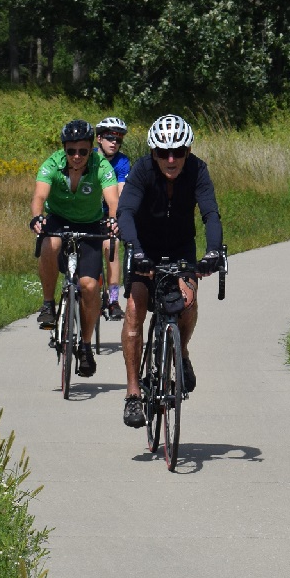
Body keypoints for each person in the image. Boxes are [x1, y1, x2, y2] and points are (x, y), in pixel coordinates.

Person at [116, 115, 223, 429]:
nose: (171, 158)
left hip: (179, 249)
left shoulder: (197, 170)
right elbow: (125, 211)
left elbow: (210, 213)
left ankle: (182, 351)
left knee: (187, 300)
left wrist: (213, 251)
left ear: (188, 150)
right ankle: (134, 393)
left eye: (178, 151)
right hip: (143, 248)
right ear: (153, 153)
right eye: (164, 152)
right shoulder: (142, 171)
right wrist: (134, 249)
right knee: (135, 307)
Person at [29, 119, 120, 378]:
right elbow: (39, 197)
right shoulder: (52, 164)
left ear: (91, 149)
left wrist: (114, 219)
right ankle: (48, 305)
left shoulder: (101, 166)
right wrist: (37, 217)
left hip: (90, 225)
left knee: (90, 286)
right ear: (64, 150)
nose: (77, 156)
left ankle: (86, 346)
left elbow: (113, 199)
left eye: (83, 151)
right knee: (51, 242)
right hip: (58, 220)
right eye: (71, 151)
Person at [94, 116, 131, 320]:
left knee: (112, 247)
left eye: (118, 139)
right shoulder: (88, 157)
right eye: (109, 137)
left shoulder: (122, 162)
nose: (114, 142)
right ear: (99, 138)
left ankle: (113, 300)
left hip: (109, 213)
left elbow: (119, 195)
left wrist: (114, 218)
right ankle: (93, 293)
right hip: (88, 214)